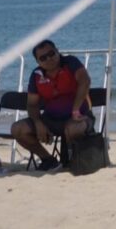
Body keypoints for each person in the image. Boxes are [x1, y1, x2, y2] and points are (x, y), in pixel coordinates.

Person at [10, 40, 94, 171]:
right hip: (50, 119)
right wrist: (38, 123)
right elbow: (32, 104)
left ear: (57, 51)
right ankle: (48, 160)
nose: (49, 59)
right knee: (17, 129)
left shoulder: (70, 62)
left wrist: (75, 111)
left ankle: (73, 160)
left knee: (73, 129)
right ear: (38, 62)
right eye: (43, 58)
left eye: (51, 53)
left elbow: (85, 81)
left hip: (79, 116)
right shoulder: (36, 75)